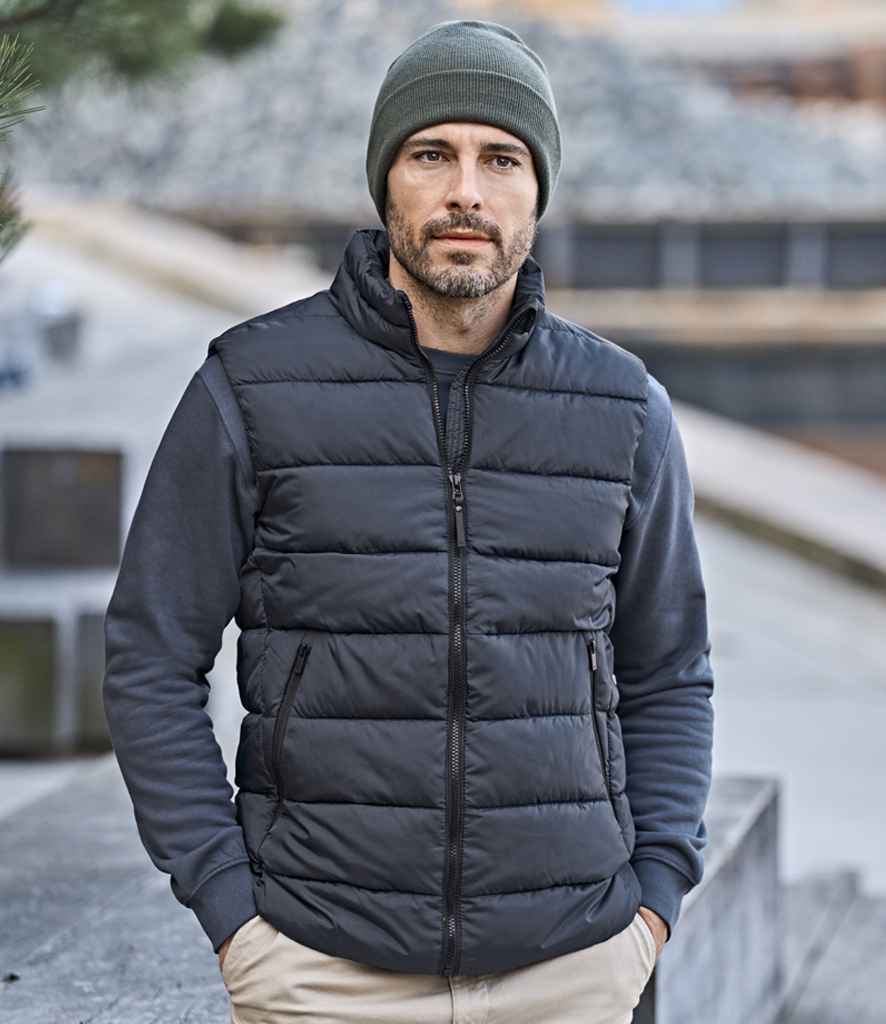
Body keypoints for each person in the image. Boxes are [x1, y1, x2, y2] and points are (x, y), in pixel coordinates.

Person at [103, 17, 715, 1024]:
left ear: (537, 190)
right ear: (386, 180)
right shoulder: (254, 388)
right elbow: (148, 654)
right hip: (318, 970)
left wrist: (650, 904)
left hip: (572, 970)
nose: (465, 190)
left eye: (500, 158)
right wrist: (231, 914)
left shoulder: (623, 409)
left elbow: (670, 672)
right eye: (431, 153)